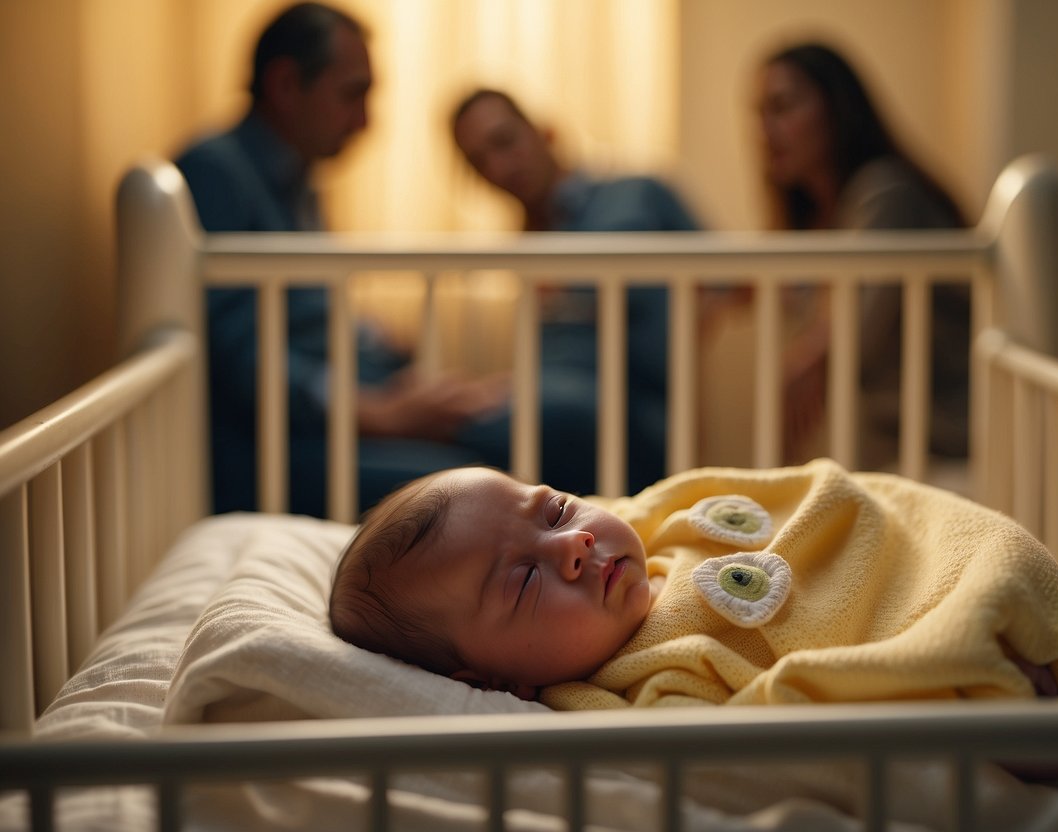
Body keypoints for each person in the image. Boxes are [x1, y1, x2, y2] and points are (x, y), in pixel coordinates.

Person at [329, 461, 1058, 708]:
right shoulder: (629, 686)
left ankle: (990, 604)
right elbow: (791, 708)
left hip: (927, 569)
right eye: (524, 583)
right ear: (490, 678)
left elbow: (823, 500)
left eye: (556, 510)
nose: (571, 545)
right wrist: (952, 680)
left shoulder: (661, 523)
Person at [174, 2, 505, 517]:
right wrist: (380, 412)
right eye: (352, 94)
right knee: (474, 473)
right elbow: (242, 357)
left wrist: (393, 360)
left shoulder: (295, 181)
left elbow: (312, 315)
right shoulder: (214, 173)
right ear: (286, 85)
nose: (365, 120)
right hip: (269, 449)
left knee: (495, 426)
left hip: (318, 423)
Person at [448, 88, 701, 496]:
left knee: (484, 422)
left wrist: (685, 328)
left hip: (631, 411)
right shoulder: (528, 248)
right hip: (554, 412)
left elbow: (735, 278)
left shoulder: (636, 194)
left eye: (504, 142)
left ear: (544, 132)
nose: (498, 167)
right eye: (479, 162)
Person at [755, 42, 972, 465]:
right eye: (759, 113)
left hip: (946, 441)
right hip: (894, 445)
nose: (765, 129)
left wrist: (802, 359)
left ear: (835, 108)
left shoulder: (886, 193)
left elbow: (853, 331)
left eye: (782, 106)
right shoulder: (832, 216)